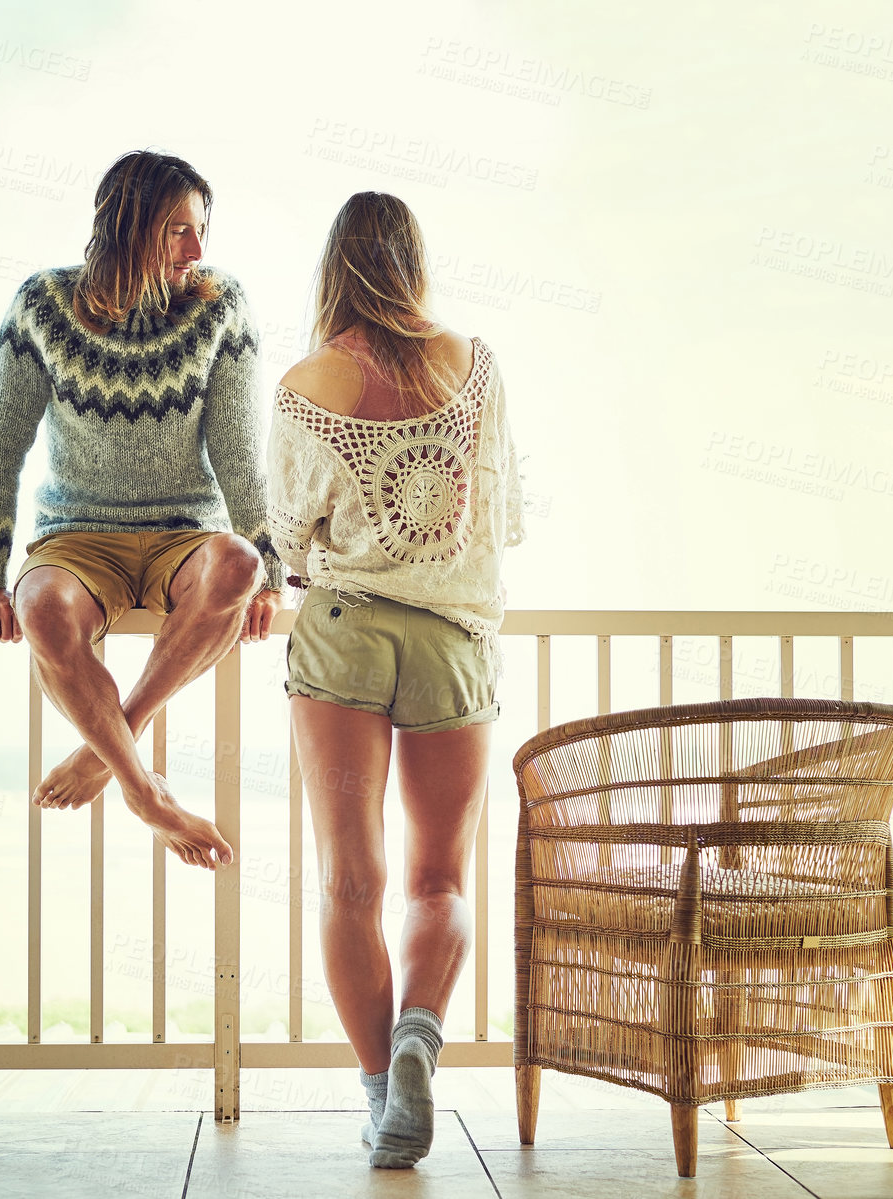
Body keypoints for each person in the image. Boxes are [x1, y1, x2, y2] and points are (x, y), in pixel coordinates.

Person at [267, 192, 524, 1168]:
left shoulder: (307, 381)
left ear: (335, 263)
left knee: (350, 881)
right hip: (452, 643)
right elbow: (495, 511)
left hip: (341, 638)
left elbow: (291, 538)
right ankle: (420, 1035)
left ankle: (383, 1097)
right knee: (437, 877)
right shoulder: (477, 366)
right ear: (412, 260)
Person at [0, 150, 282, 871]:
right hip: (77, 538)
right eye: (176, 230)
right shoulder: (43, 305)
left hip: (184, 536)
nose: (196, 250)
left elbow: (239, 454)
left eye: (200, 229)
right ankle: (145, 792)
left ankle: (109, 753)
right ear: (126, 226)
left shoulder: (219, 306)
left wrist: (273, 567)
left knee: (238, 562)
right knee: (39, 602)